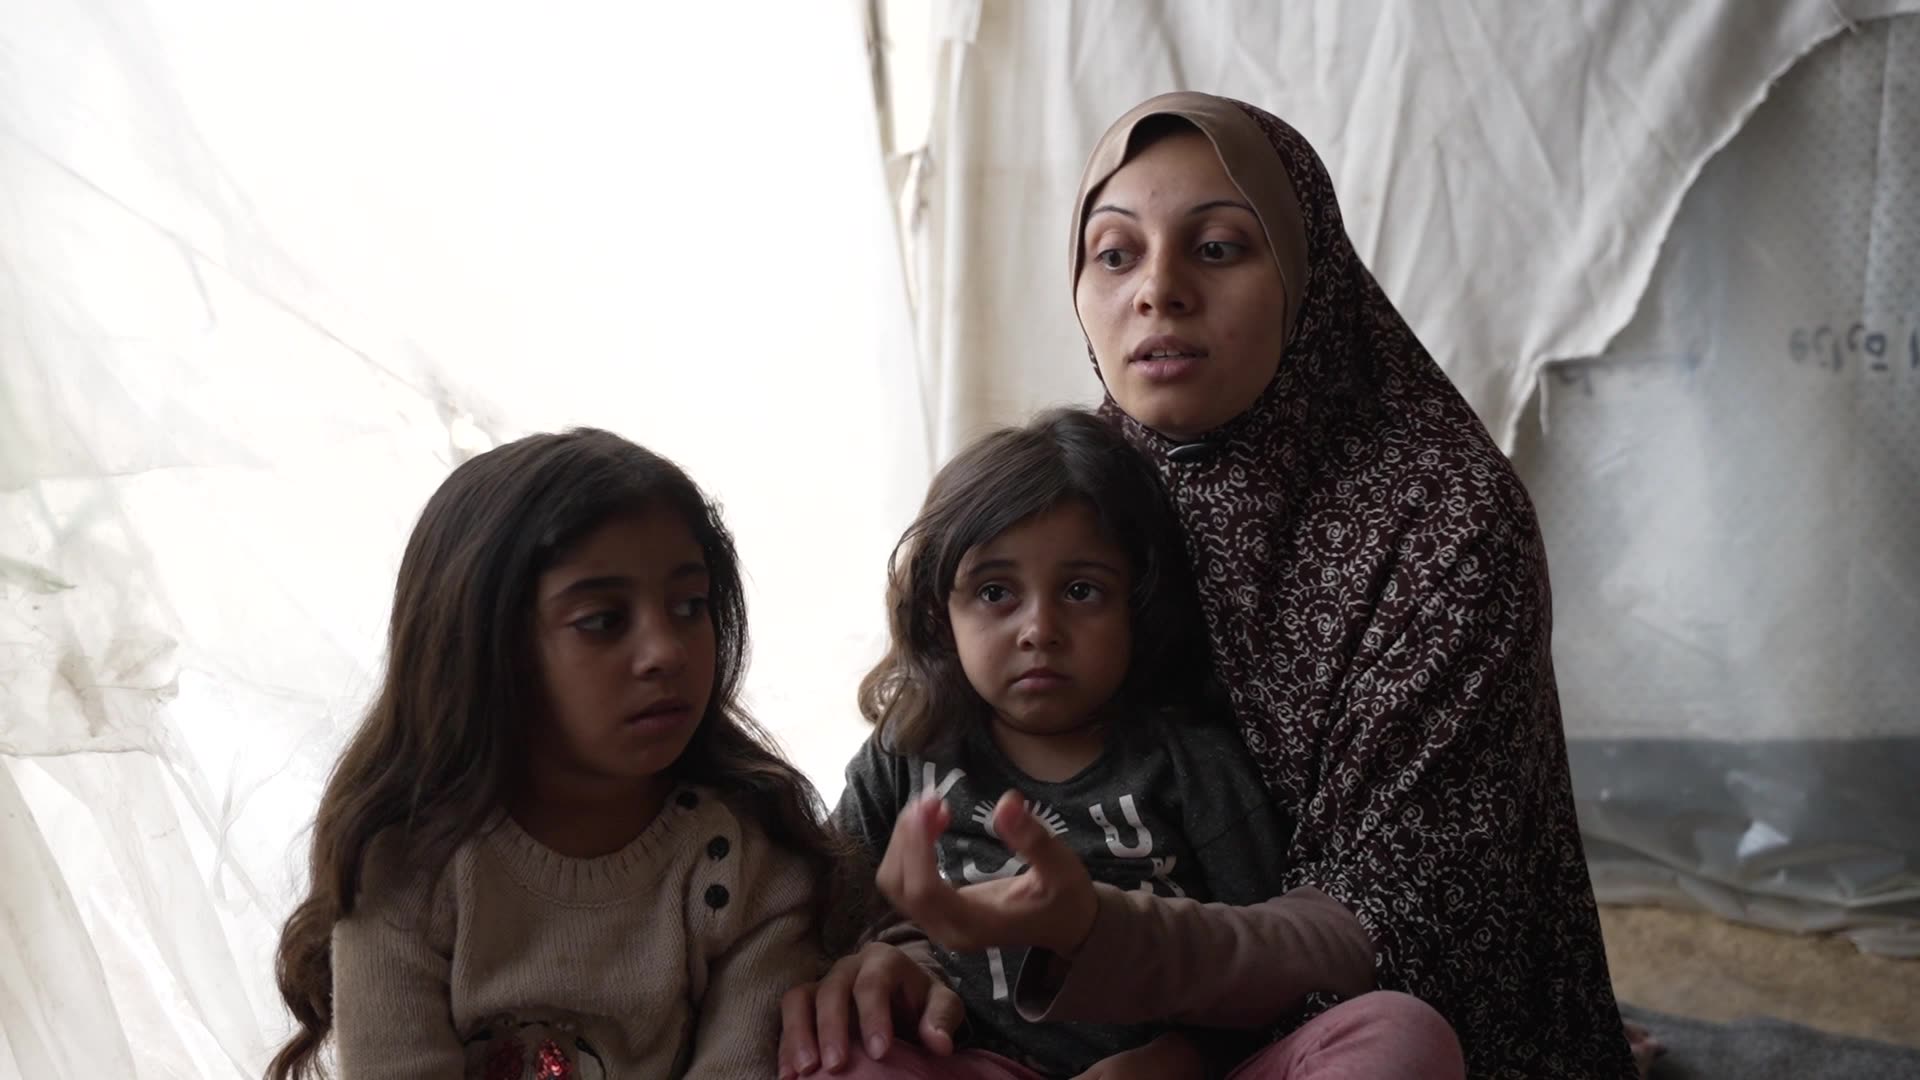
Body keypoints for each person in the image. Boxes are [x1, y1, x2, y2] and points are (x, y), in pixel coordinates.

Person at [786, 91, 1641, 1080]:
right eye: (1115, 254)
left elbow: (1394, 917)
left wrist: (1157, 1015)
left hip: (1339, 1002)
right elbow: (880, 822)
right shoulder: (1081, 492)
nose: (1159, 290)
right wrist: (897, 958)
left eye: (1221, 247)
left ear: (1305, 275)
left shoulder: (1442, 516)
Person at [267, 428, 833, 1079]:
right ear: (481, 644)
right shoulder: (406, 867)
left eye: (689, 605)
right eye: (601, 620)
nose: (667, 651)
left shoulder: (746, 866)